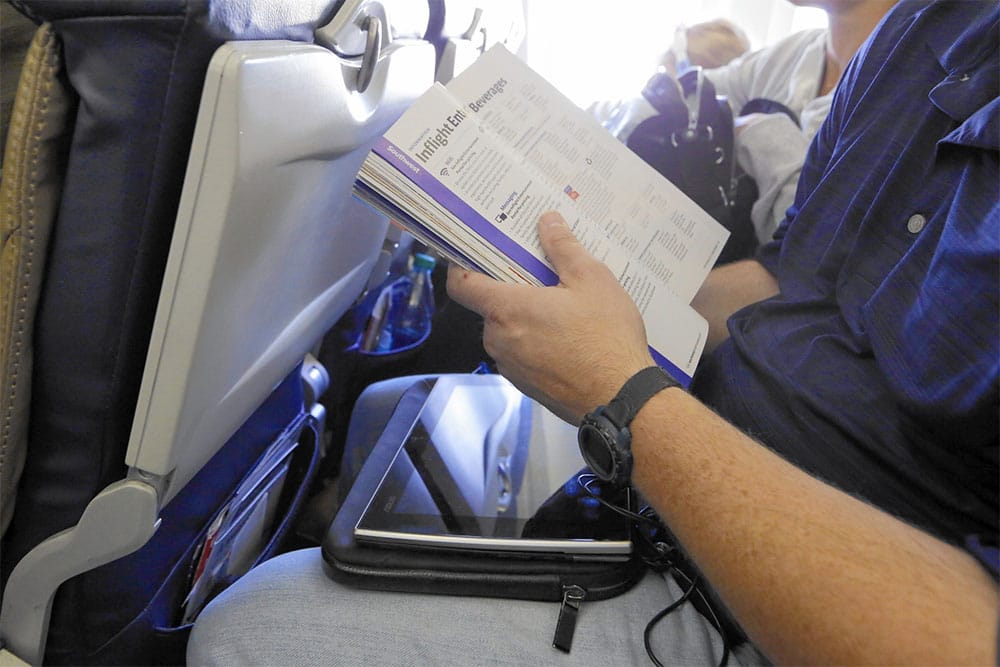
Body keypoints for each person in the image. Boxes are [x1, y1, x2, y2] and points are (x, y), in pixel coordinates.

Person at [186, 1, 998, 664]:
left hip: (809, 591)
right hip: (703, 443)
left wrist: (623, 394)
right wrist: (593, 287)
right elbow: (788, 281)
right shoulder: (920, 33)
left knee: (247, 631)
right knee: (385, 409)